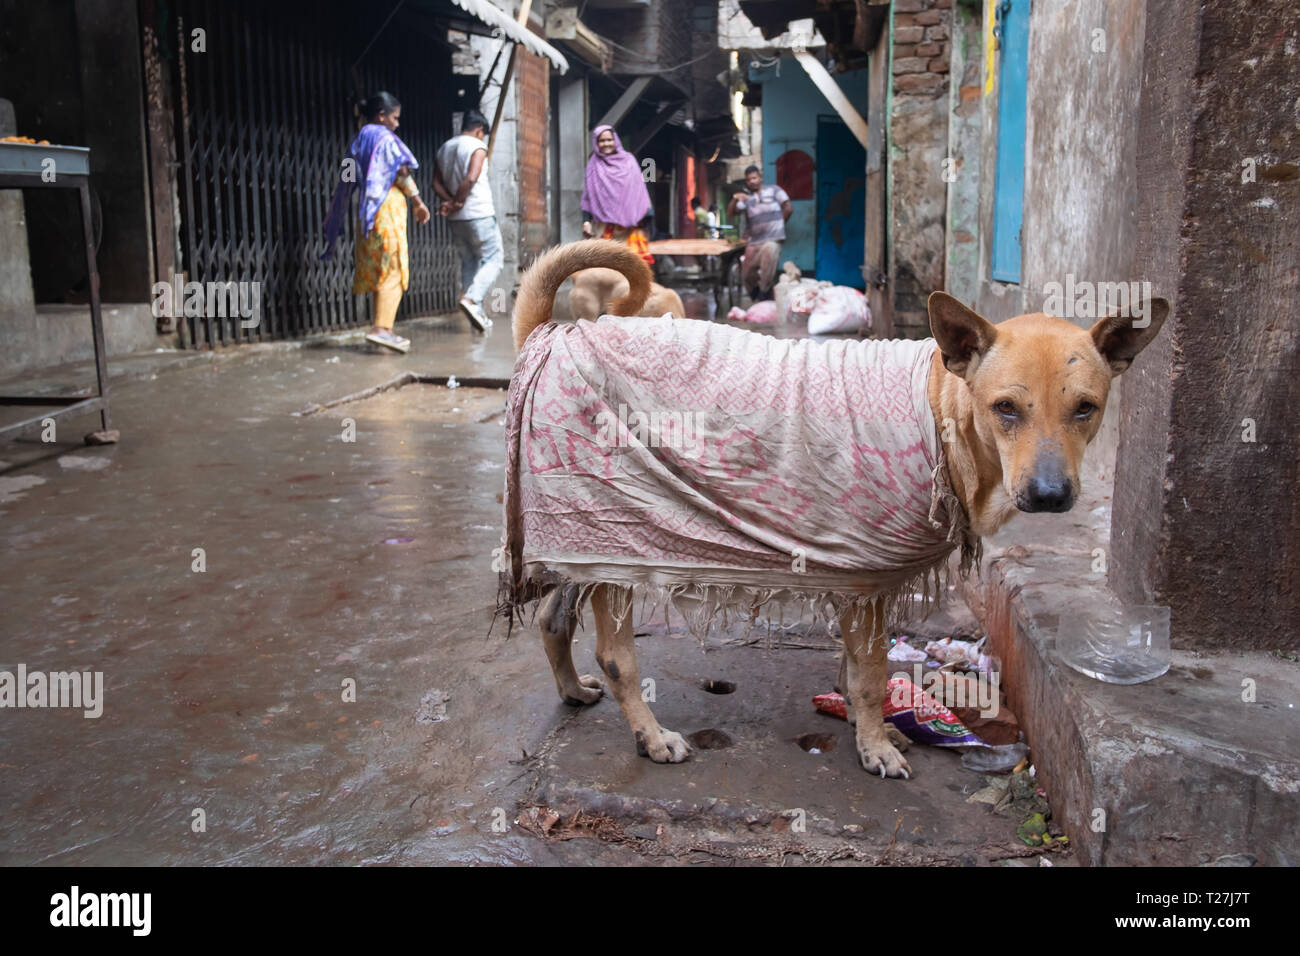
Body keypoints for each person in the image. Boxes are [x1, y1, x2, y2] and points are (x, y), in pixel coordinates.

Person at [322, 91, 430, 353]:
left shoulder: (358, 140)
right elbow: (402, 170)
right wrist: (418, 202)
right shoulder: (384, 137)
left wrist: (337, 211)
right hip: (387, 210)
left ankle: (383, 328)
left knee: (379, 268)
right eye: (394, 117)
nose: (397, 124)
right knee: (393, 266)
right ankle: (381, 329)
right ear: (381, 115)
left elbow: (346, 179)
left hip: (367, 214)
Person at [433, 109, 501, 333]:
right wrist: (459, 201)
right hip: (478, 212)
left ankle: (476, 312)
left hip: (456, 219)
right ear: (480, 131)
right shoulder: (477, 147)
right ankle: (472, 300)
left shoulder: (445, 147)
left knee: (469, 261)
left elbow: (436, 183)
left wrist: (451, 203)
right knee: (494, 259)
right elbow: (471, 177)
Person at [581, 125, 654, 266]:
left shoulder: (629, 160)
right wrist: (586, 221)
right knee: (605, 268)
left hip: (630, 227)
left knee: (633, 268)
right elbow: (588, 196)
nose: (606, 144)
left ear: (616, 140)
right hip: (604, 227)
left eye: (609, 140)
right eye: (601, 141)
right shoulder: (593, 164)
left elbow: (639, 191)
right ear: (596, 143)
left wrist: (644, 218)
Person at [728, 164, 792, 302]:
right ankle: (757, 296)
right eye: (749, 180)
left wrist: (779, 225)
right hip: (755, 241)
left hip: (773, 239)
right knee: (746, 274)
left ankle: (764, 292)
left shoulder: (775, 190)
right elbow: (732, 213)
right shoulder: (748, 199)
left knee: (769, 256)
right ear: (747, 182)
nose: (752, 181)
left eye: (754, 178)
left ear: (760, 177)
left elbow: (788, 208)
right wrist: (735, 198)